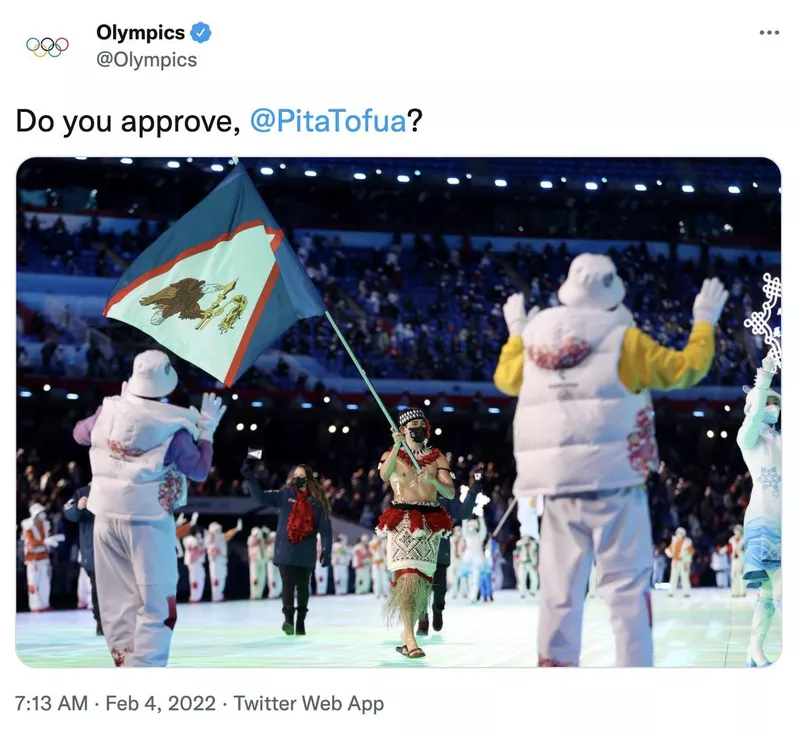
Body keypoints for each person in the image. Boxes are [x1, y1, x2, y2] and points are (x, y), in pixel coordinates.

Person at [494, 253, 728, 666]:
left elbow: (507, 378)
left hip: (559, 486)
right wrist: (705, 320)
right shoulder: (625, 340)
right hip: (616, 483)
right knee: (626, 590)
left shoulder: (534, 336)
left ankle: (555, 677)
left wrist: (515, 330)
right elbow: (686, 370)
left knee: (559, 592)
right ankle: (633, 679)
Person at [73, 350, 223, 667]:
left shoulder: (108, 410)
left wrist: (122, 403)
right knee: (156, 600)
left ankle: (124, 663)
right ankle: (146, 672)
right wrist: (207, 432)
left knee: (116, 598)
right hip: (147, 522)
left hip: (105, 518)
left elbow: (79, 434)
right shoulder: (176, 426)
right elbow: (198, 470)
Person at [376, 407, 455, 659]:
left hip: (429, 521)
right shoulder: (392, 454)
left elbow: (450, 493)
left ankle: (407, 634)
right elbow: (383, 475)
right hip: (401, 519)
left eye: (422, 423)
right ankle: (410, 638)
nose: (418, 427)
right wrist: (397, 446)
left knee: (421, 580)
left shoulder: (437, 457)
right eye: (413, 424)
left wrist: (432, 481)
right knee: (406, 576)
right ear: (402, 429)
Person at [242, 463, 333, 636]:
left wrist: (327, 551)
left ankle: (300, 622)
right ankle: (288, 620)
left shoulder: (316, 502)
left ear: (309, 479)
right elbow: (260, 497)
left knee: (303, 587)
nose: (297, 479)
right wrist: (249, 476)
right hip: (286, 549)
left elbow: (325, 530)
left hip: (306, 550)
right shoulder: (284, 496)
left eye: (301, 476)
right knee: (288, 585)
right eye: (295, 476)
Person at [737, 356, 781, 667]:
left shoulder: (783, 439)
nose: (773, 407)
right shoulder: (748, 437)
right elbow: (752, 421)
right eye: (767, 402)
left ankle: (754, 648)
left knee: (768, 592)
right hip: (765, 518)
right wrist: (763, 382)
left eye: (776, 402)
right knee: (779, 585)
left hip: (787, 516)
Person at [416, 473, 480, 635]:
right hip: (420, 549)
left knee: (439, 590)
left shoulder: (446, 496)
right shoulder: (417, 491)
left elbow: (463, 512)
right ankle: (422, 620)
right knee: (420, 588)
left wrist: (472, 494)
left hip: (439, 551)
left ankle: (438, 609)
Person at [64, 487, 102, 634]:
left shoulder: (120, 486)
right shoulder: (83, 492)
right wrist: (78, 506)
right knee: (98, 587)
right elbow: (68, 511)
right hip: (93, 550)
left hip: (119, 548)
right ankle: (101, 621)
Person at [21, 503, 64, 612]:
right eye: (39, 513)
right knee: (34, 583)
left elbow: (48, 536)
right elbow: (31, 541)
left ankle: (45, 604)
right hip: (33, 559)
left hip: (44, 558)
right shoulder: (27, 526)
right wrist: (44, 541)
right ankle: (35, 605)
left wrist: (53, 539)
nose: (42, 515)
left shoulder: (45, 524)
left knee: (45, 582)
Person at [205, 519, 242, 602]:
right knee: (216, 579)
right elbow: (211, 539)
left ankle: (220, 595)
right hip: (215, 561)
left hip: (222, 561)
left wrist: (236, 529)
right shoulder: (209, 537)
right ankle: (216, 597)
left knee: (222, 578)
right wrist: (212, 531)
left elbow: (229, 534)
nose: (219, 530)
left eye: (219, 529)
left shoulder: (221, 537)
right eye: (217, 529)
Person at [665, 528, 694, 597]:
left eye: (681, 533)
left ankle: (686, 592)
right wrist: (670, 554)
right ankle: (671, 592)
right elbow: (669, 550)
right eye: (678, 533)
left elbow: (690, 553)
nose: (679, 534)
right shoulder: (674, 541)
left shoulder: (688, 542)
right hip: (675, 562)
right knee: (673, 578)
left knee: (685, 578)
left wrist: (687, 562)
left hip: (683, 563)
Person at [183, 531, 207, 603]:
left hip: (196, 562)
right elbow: (194, 550)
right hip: (194, 562)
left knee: (199, 579)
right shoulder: (191, 539)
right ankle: (194, 598)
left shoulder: (191, 539)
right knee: (196, 580)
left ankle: (196, 597)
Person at [248, 527, 268, 600]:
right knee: (255, 578)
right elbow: (252, 543)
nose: (258, 535)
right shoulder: (250, 539)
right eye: (256, 534)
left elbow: (267, 542)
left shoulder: (262, 540)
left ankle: (259, 594)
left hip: (262, 560)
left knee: (262, 578)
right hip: (254, 561)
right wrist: (258, 537)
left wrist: (265, 534)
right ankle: (254, 594)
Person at [369, 535, 389, 599]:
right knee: (376, 578)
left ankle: (385, 592)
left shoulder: (386, 541)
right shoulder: (372, 542)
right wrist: (377, 543)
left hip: (384, 562)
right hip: (376, 563)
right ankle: (377, 593)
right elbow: (372, 551)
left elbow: (386, 552)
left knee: (385, 578)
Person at [729, 525, 746, 598]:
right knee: (733, 574)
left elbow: (745, 549)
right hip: (734, 559)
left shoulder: (743, 539)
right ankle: (734, 591)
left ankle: (742, 591)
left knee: (741, 575)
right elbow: (729, 549)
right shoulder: (732, 539)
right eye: (735, 530)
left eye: (738, 530)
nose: (736, 532)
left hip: (741, 558)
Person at [265, 530, 283, 599]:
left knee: (278, 577)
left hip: (278, 563)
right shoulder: (268, 546)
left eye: (275, 537)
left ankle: (278, 592)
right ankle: (272, 593)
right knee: (271, 578)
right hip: (271, 562)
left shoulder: (279, 545)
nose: (274, 538)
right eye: (272, 537)